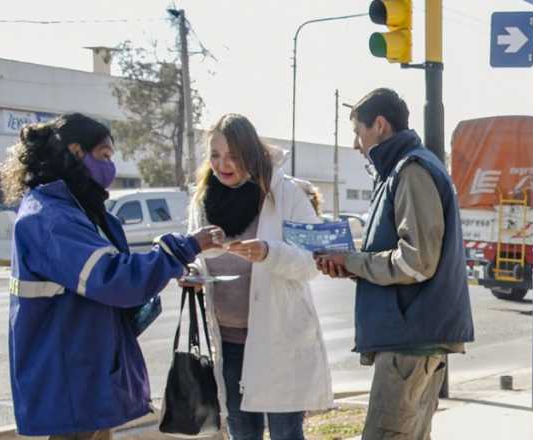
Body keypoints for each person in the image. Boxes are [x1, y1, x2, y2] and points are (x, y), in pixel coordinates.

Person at [1, 113, 221, 440]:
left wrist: (171, 267)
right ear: (76, 152)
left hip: (85, 366)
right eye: (104, 156)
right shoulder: (51, 219)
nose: (110, 168)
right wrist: (182, 249)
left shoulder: (74, 209)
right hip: (71, 372)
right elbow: (113, 278)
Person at [315, 88, 474, 439]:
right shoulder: (401, 169)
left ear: (380, 125)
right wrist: (352, 266)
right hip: (413, 339)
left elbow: (417, 261)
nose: (356, 144)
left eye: (358, 132)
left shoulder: (411, 170)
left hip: (410, 341)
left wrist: (354, 261)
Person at [185, 114, 332, 440]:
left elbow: (314, 261)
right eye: (215, 155)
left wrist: (269, 252)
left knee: (285, 434)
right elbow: (198, 255)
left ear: (250, 154)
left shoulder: (285, 193)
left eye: (233, 156)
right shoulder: (202, 199)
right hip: (228, 342)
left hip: (276, 339)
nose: (222, 164)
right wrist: (192, 272)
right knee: (242, 433)